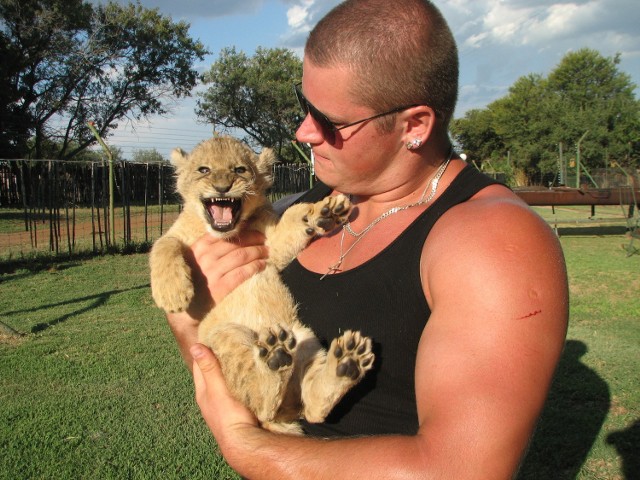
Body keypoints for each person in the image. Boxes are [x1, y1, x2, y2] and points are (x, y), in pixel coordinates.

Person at [166, 0, 569, 478]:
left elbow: (460, 470)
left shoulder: (495, 243)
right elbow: (211, 335)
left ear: (414, 126)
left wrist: (248, 447)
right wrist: (189, 321)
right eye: (305, 105)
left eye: (330, 122)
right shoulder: (304, 206)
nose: (304, 132)